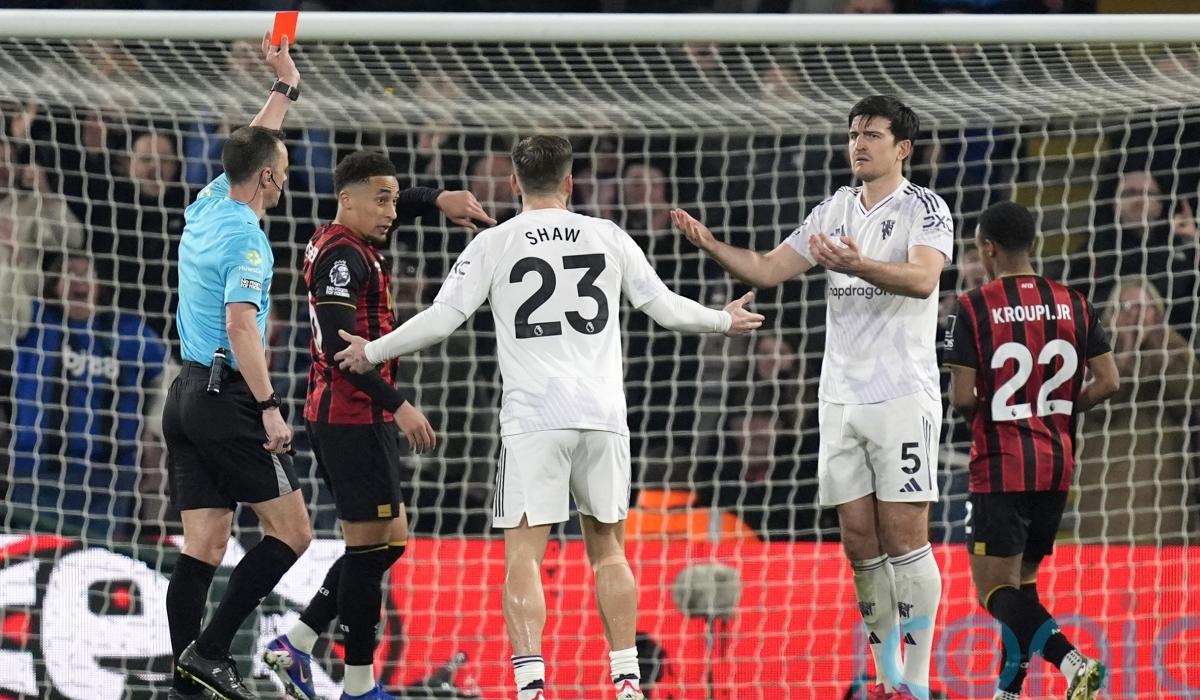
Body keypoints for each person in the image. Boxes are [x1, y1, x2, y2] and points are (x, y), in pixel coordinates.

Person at [334, 135, 763, 700]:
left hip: (534, 419)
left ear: (514, 183)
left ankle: (532, 686)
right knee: (609, 551)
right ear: (570, 183)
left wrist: (373, 350)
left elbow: (442, 317)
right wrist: (721, 320)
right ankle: (627, 681)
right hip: (602, 415)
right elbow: (663, 307)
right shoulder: (608, 235)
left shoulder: (495, 242)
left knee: (524, 557)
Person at [672, 95, 952, 700]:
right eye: (853, 134)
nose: (859, 144)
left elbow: (924, 277)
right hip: (840, 399)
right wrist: (712, 245)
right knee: (859, 543)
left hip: (902, 395)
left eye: (872, 135)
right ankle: (886, 680)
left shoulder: (924, 208)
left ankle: (918, 682)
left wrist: (860, 264)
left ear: (902, 148)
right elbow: (767, 269)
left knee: (905, 538)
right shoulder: (833, 209)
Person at [262, 151, 494, 700]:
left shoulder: (344, 236)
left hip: (358, 418)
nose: (392, 211)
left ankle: (296, 642)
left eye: (394, 199)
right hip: (351, 418)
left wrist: (437, 199)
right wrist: (400, 405)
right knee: (368, 554)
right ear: (348, 199)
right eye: (382, 200)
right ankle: (359, 688)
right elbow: (343, 352)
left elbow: (399, 202)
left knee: (390, 543)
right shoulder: (343, 258)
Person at [160, 33, 311, 700]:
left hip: (185, 396)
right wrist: (271, 407)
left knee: (204, 547)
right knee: (293, 533)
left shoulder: (207, 204)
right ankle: (211, 651)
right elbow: (242, 326)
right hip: (227, 400)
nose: (287, 175)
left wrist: (283, 87)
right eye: (283, 168)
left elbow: (253, 145)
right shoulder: (249, 241)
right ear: (269, 179)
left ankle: (186, 687)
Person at [942, 201, 1119, 700]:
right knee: (1022, 585)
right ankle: (1010, 691)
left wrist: (1000, 414)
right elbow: (1109, 381)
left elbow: (962, 398)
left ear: (988, 248)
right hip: (1057, 465)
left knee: (993, 591)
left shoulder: (973, 306)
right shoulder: (1075, 302)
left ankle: (1073, 661)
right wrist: (1056, 410)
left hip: (1001, 467)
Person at [5, 253, 167, 540]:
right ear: (55, 285)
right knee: (37, 558)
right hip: (38, 474)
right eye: (69, 272)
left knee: (94, 561)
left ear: (100, 286)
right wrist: (10, 250)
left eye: (86, 273)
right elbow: (5, 297)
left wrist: (154, 431)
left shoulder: (129, 331)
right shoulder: (35, 320)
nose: (78, 279)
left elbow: (170, 378)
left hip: (108, 480)